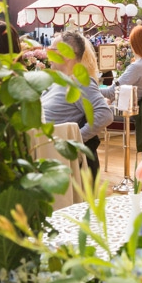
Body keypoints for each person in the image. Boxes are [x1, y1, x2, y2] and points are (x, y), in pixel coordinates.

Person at [40, 30, 111, 178]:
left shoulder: (79, 81)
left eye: (52, 50)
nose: (47, 54)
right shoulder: (57, 80)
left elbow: (105, 114)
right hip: (43, 153)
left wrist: (76, 141)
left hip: (57, 159)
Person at [104, 25, 142, 103]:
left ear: (134, 44)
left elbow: (110, 93)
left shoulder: (137, 67)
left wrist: (87, 90)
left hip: (129, 111)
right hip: (141, 110)